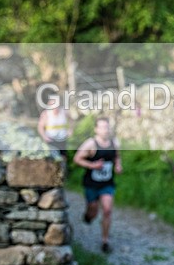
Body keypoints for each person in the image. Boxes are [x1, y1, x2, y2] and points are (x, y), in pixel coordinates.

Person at [73, 116, 123, 253]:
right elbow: (77, 159)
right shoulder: (90, 144)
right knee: (93, 210)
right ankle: (88, 215)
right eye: (102, 127)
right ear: (96, 129)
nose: (105, 130)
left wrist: (118, 166)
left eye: (107, 127)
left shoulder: (114, 142)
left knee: (107, 210)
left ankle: (105, 241)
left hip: (107, 183)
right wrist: (92, 165)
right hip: (92, 184)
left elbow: (117, 156)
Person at [37, 94, 72, 160]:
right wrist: (44, 136)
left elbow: (71, 120)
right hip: (51, 139)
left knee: (63, 156)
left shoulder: (64, 111)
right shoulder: (46, 114)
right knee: (53, 157)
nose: (55, 108)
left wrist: (70, 130)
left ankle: (64, 168)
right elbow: (40, 127)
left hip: (62, 138)